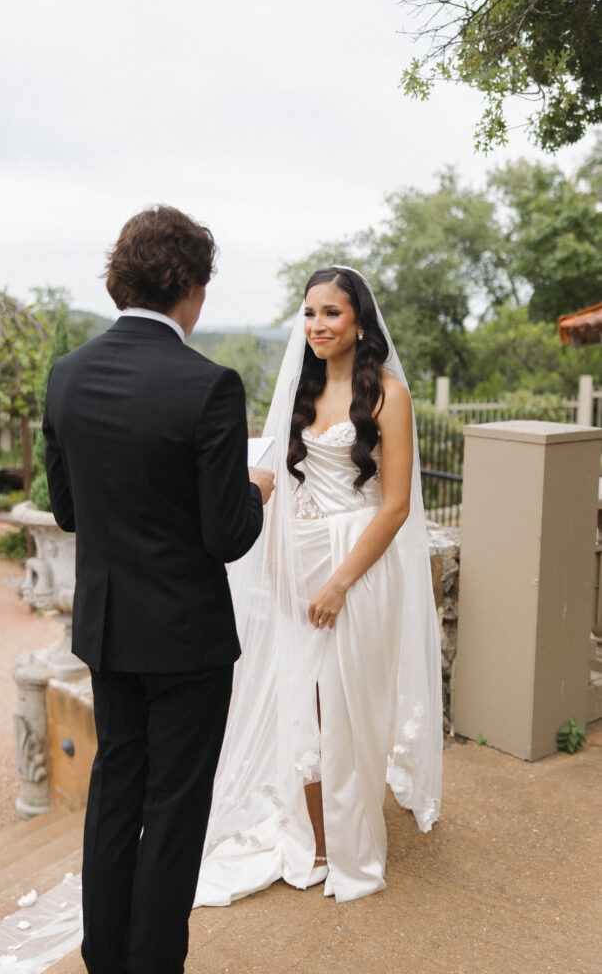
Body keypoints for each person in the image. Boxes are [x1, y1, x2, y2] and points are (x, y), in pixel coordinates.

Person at [43, 205, 275, 974]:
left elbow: (69, 512)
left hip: (109, 630)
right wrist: (253, 490)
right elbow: (225, 535)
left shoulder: (66, 375)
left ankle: (105, 960)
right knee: (172, 812)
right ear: (192, 289)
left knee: (115, 795)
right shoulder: (208, 386)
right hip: (186, 643)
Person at [194, 265, 442, 907]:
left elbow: (394, 507)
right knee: (303, 704)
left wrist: (337, 582)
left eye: (331, 313)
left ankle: (357, 854)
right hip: (301, 556)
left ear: (359, 319)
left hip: (358, 562)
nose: (317, 326)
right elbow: (283, 481)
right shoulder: (300, 391)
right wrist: (280, 567)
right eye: (309, 314)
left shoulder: (388, 394)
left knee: (353, 706)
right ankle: (320, 840)